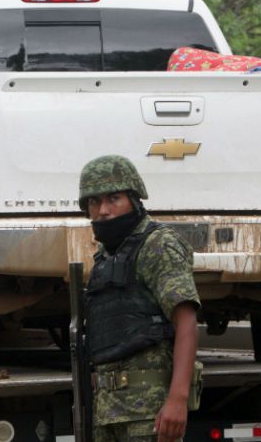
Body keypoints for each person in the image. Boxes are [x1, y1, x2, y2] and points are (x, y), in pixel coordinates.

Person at [78, 155, 201, 442]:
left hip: (149, 412)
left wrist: (177, 399)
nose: (103, 210)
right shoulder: (106, 257)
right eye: (94, 202)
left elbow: (187, 322)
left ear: (134, 200)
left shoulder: (158, 245)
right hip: (108, 412)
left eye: (114, 199)